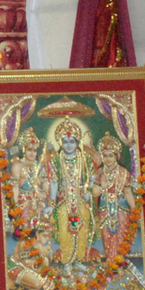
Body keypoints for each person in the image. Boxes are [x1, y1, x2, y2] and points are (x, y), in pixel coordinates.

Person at [37, 116, 98, 276]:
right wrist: (51, 204)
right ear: (60, 143)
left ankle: (79, 261)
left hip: (81, 200)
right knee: (65, 230)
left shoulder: (85, 160)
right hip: (64, 201)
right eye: (65, 142)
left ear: (77, 142)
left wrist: (88, 191)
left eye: (72, 141)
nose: (69, 145)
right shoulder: (56, 161)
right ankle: (67, 262)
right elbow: (54, 184)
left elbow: (91, 179)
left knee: (82, 230)